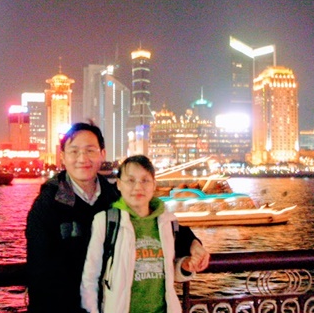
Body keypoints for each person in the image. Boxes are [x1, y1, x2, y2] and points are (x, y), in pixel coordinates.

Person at [80, 155, 210, 313]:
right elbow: (90, 279)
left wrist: (186, 266)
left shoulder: (167, 222)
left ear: (154, 185)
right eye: (130, 180)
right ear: (119, 184)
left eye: (145, 180)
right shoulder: (106, 221)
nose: (138, 187)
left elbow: (167, 272)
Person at [25, 122, 120, 313]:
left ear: (102, 154)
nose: (82, 158)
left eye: (90, 150)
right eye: (74, 151)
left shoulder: (115, 200)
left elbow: (150, 221)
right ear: (63, 157)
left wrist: (185, 249)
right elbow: (40, 274)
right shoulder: (47, 205)